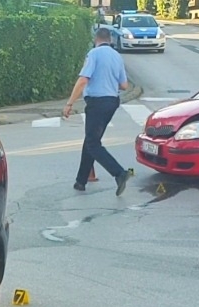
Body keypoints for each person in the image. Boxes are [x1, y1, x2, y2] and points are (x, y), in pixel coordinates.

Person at [63, 27, 130, 196]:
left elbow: (83, 80)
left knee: (93, 143)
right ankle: (81, 181)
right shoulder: (117, 56)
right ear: (110, 40)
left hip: (97, 102)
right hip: (112, 102)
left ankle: (119, 173)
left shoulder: (93, 54)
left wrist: (69, 103)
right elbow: (124, 85)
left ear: (96, 39)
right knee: (92, 140)